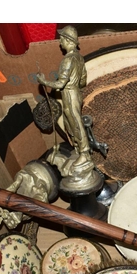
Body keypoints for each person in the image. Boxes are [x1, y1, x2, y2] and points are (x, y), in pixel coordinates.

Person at [37, 26, 91, 168]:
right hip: (75, 92)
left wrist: (44, 82)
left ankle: (85, 154)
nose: (60, 42)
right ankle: (79, 150)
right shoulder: (79, 58)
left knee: (75, 123)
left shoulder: (68, 60)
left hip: (69, 93)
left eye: (62, 39)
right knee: (69, 124)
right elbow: (83, 81)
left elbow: (61, 84)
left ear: (68, 40)